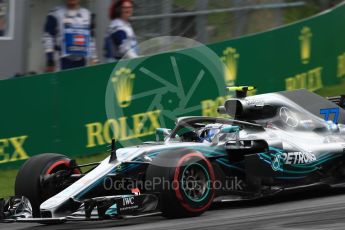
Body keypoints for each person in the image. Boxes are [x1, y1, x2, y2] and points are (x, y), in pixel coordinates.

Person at [43, 0, 98, 72]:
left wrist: (94, 59)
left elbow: (91, 39)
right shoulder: (55, 13)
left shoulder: (87, 14)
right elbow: (48, 36)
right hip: (61, 62)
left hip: (83, 62)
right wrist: (50, 59)